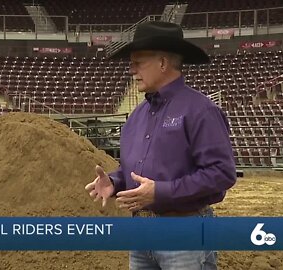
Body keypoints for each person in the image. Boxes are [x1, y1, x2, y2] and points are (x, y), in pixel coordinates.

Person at [85, 21, 237, 270]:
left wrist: (160, 192)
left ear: (163, 63)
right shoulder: (136, 116)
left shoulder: (201, 110)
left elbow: (222, 173)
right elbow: (133, 170)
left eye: (138, 62)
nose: (131, 70)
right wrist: (115, 182)